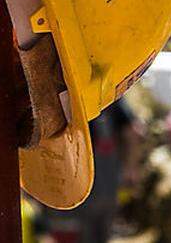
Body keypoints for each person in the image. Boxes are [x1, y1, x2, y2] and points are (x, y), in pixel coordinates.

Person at [49, 99, 143, 243]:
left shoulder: (112, 98)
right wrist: (131, 167)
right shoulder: (96, 94)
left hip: (102, 180)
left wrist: (130, 167)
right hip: (84, 182)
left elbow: (131, 130)